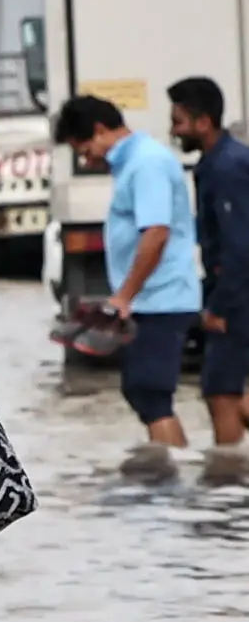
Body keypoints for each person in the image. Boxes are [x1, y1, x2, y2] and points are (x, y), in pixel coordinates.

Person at [54, 94, 203, 458]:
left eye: (84, 149)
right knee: (142, 390)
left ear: (99, 130)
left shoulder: (146, 163)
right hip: (150, 298)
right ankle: (179, 469)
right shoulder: (134, 163)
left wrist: (124, 296)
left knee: (150, 392)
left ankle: (172, 475)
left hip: (162, 298)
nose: (86, 160)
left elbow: (157, 233)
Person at [170, 76, 249, 461]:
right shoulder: (218, 162)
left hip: (238, 295)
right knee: (224, 389)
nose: (173, 131)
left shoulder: (227, 167)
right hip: (233, 290)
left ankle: (228, 478)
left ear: (204, 122)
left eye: (179, 122)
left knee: (221, 390)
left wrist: (220, 306)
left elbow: (239, 245)